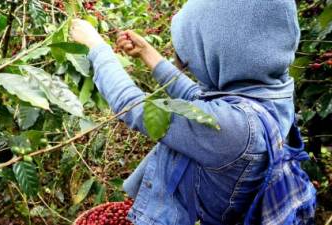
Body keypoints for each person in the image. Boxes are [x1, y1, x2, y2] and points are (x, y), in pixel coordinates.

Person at [70, 0, 316, 224]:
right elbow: (197, 99)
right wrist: (148, 54)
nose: (188, 61)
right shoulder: (272, 93)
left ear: (221, 50)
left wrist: (96, 48)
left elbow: (134, 106)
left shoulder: (235, 131)